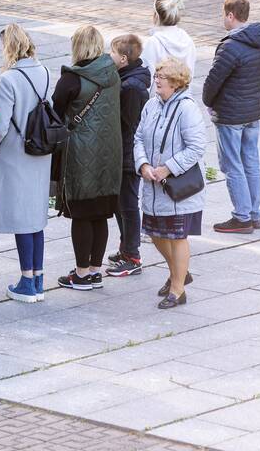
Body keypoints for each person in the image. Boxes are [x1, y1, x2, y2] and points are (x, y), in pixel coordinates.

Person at [0, 24, 52, 303]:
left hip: (16, 153)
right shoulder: (45, 72)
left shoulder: (10, 79)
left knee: (22, 219)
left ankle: (26, 281)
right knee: (36, 218)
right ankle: (38, 278)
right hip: (41, 151)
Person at [52, 25, 122, 291]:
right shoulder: (112, 74)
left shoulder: (72, 79)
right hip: (109, 154)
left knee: (81, 214)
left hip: (81, 156)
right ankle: (94, 270)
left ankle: (81, 274)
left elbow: (56, 113)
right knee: (100, 213)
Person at [134, 57, 207, 309]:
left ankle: (178, 289)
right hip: (153, 187)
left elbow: (197, 147)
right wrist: (142, 164)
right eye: (156, 76)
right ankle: (180, 272)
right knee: (155, 235)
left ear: (176, 83)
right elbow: (139, 137)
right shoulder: (152, 105)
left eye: (161, 78)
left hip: (177, 190)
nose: (156, 81)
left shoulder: (187, 109)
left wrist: (168, 167)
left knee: (177, 237)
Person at [202, 0, 260, 234]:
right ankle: (254, 214)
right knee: (251, 162)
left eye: (224, 15)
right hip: (253, 111)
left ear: (230, 15)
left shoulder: (230, 47)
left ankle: (241, 217)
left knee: (233, 165)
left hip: (231, 115)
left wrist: (208, 101)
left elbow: (213, 82)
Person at [105, 34, 152, 277]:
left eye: (112, 52)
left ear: (123, 59)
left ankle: (132, 255)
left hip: (127, 153)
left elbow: (129, 123)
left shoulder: (131, 87)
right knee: (119, 203)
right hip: (123, 150)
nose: (108, 55)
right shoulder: (128, 78)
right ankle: (126, 247)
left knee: (128, 204)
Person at [141, 0, 197, 83]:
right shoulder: (188, 40)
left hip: (158, 95)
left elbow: (147, 76)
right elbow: (190, 72)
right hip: (182, 94)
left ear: (156, 16)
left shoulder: (152, 43)